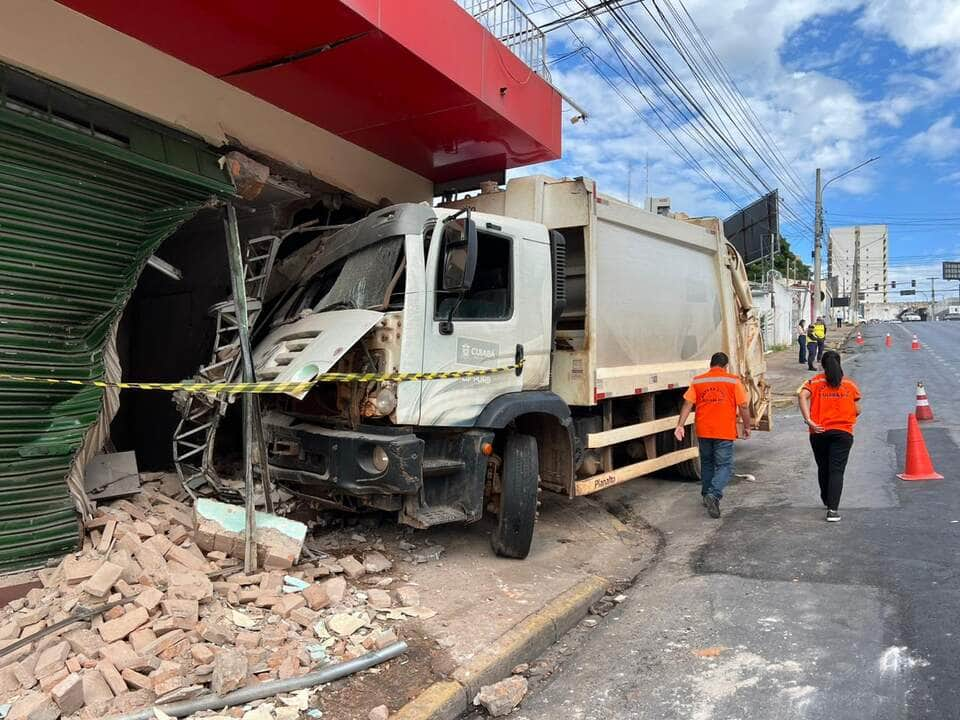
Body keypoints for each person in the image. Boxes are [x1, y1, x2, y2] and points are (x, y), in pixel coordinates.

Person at [675, 352, 751, 519]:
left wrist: (680, 425)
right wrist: (747, 426)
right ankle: (714, 494)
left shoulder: (698, 380)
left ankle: (705, 494)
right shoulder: (732, 380)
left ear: (711, 365)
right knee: (725, 466)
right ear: (725, 366)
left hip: (703, 430)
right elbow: (743, 406)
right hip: (723, 430)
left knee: (707, 462)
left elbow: (688, 403)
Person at [798, 350, 861, 522]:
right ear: (839, 364)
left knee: (823, 467)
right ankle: (833, 510)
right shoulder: (849, 384)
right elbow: (858, 410)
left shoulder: (815, 381)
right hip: (843, 433)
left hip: (819, 432)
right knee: (837, 470)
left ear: (823, 365)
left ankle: (826, 498)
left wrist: (808, 420)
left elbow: (802, 395)